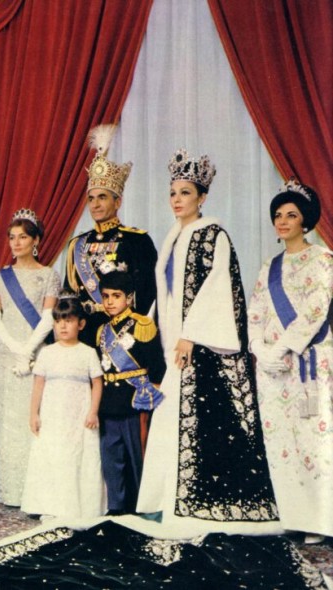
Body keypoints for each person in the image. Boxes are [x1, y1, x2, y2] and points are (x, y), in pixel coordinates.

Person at [137, 150, 279, 536]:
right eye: (173, 193)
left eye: (185, 192)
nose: (177, 199)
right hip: (175, 345)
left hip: (199, 347)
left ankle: (198, 503)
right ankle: (165, 499)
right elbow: (168, 292)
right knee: (171, 415)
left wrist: (189, 334)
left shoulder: (213, 235)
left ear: (202, 197)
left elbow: (218, 287)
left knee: (197, 419)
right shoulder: (173, 238)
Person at [248, 179, 333, 543]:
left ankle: (322, 522)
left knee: (314, 440)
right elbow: (255, 313)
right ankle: (295, 517)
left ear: (306, 220)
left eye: (291, 215)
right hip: (273, 370)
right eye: (278, 215)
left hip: (309, 365)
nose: (282, 221)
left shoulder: (324, 260)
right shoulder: (269, 266)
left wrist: (280, 348)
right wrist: (260, 350)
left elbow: (315, 312)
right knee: (280, 440)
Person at [0, 209, 61, 506]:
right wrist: (16, 349)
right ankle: (9, 491)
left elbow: (48, 317)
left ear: (36, 241)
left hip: (36, 355)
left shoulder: (48, 275)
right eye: (12, 237)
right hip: (7, 356)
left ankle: (34, 493)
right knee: (7, 421)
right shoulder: (1, 276)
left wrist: (28, 349)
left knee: (33, 418)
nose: (16, 243)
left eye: (23, 237)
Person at [65, 124, 158, 346]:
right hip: (84, 335)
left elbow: (146, 293)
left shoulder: (137, 241)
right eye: (91, 198)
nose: (95, 205)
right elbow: (70, 295)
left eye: (102, 197)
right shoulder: (77, 244)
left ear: (118, 202)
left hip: (122, 336)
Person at [21, 293, 105, 520]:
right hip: (53, 415)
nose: (63, 326)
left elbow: (97, 383)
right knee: (52, 456)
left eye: (68, 321)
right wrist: (33, 414)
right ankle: (50, 506)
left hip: (79, 415)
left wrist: (93, 411)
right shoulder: (47, 353)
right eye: (58, 321)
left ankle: (79, 507)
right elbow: (38, 385)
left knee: (77, 456)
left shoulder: (88, 352)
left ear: (81, 324)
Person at [96, 271, 166, 515]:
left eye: (116, 296)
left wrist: (152, 394)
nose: (110, 302)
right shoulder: (102, 330)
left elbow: (156, 365)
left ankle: (140, 506)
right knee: (111, 456)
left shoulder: (142, 325)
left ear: (129, 298)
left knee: (137, 456)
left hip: (134, 399)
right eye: (106, 296)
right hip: (109, 402)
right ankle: (116, 506)